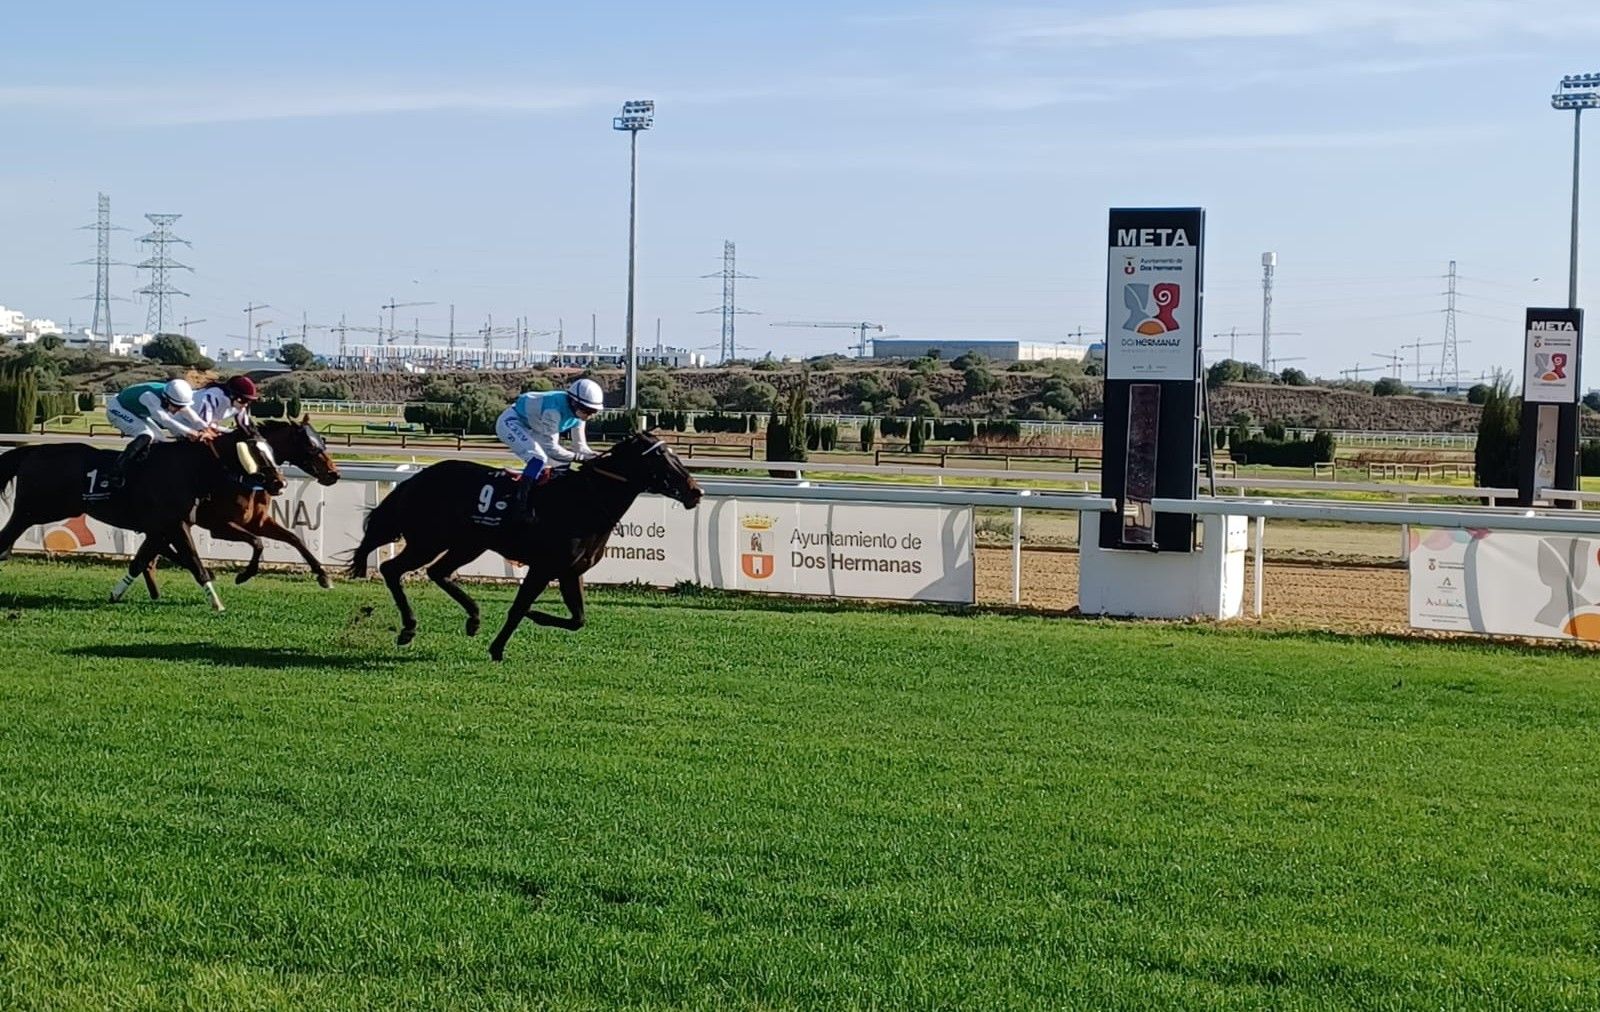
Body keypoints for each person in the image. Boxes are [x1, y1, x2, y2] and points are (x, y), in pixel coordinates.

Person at [496, 378, 604, 516]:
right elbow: (551, 449)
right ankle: (521, 503)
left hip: (534, 426)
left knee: (559, 464)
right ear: (573, 402)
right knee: (538, 458)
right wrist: (580, 458)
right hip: (512, 422)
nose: (589, 415)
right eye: (587, 410)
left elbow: (580, 447)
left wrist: (597, 456)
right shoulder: (553, 411)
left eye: (593, 411)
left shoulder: (578, 414)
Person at [104, 378, 212, 485]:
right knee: (146, 434)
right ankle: (116, 471)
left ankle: (143, 466)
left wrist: (206, 428)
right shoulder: (149, 397)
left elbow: (192, 416)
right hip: (117, 408)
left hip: (134, 411)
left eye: (180, 407)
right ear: (166, 399)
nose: (177, 410)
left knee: (159, 439)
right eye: (176, 406)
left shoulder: (173, 396)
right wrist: (189, 432)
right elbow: (165, 420)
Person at [190, 375, 260, 431]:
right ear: (232, 395)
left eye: (249, 401)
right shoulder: (212, 397)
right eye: (244, 400)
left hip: (199, 425)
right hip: (184, 424)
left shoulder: (239, 405)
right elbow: (203, 426)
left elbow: (245, 426)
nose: (245, 404)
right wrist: (227, 430)